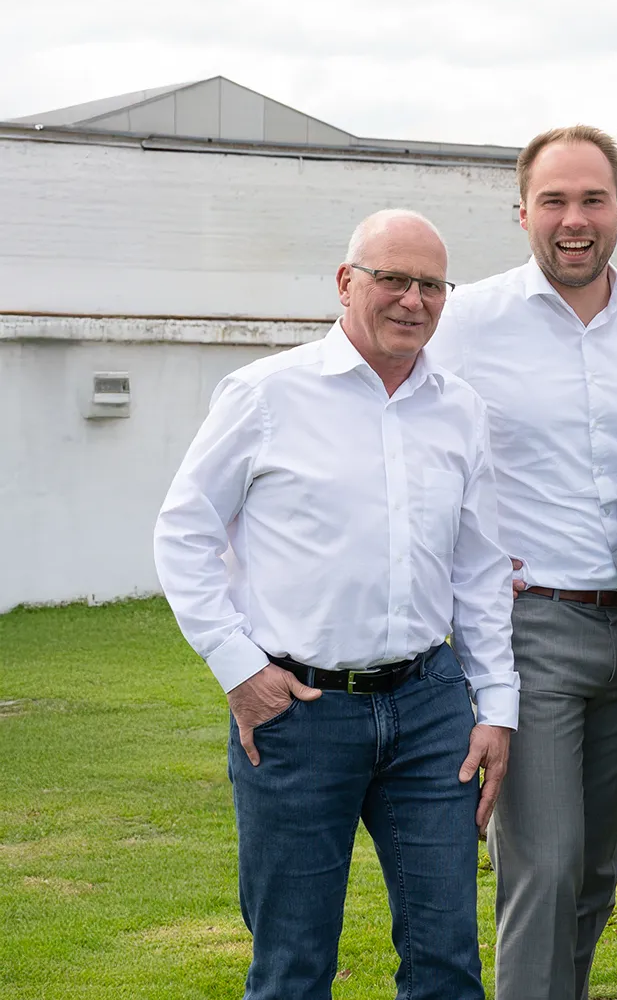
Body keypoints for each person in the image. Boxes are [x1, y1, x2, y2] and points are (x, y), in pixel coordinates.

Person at [154, 209, 516, 1000]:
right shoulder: (264, 394)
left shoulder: (460, 408)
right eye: (393, 279)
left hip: (430, 712)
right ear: (347, 283)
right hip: (297, 713)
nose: (413, 300)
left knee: (448, 961)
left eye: (430, 285)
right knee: (292, 965)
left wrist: (496, 709)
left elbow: (480, 570)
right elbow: (182, 533)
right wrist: (238, 667)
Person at [429, 125, 617, 1000]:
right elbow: (413, 443)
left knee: (593, 870)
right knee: (541, 871)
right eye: (554, 200)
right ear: (522, 213)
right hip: (531, 628)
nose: (574, 219)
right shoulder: (465, 320)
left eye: (592, 199)